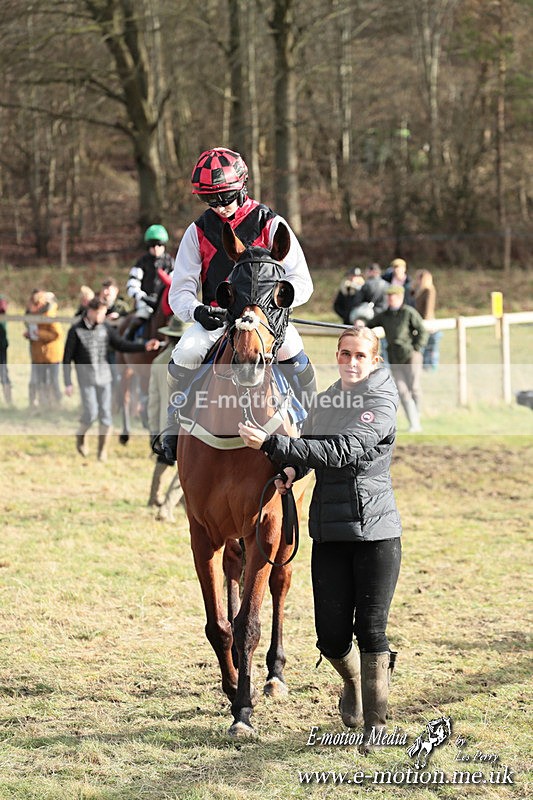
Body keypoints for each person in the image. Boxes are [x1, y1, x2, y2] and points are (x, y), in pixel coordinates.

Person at [238, 326, 401, 755]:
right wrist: (290, 471)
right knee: (329, 638)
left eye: (360, 356)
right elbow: (309, 448)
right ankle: (353, 682)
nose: (351, 362)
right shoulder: (329, 398)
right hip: (328, 532)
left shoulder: (381, 401)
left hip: (375, 534)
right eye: (345, 354)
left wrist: (273, 443)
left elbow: (342, 450)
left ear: (375, 361)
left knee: (370, 631)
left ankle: (375, 726)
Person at [162, 146, 315, 460]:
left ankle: (313, 425)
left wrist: (276, 306)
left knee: (294, 352)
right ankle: (171, 426)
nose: (219, 207)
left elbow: (302, 281)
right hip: (217, 322)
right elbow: (179, 292)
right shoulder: (198, 232)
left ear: (243, 186)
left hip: (265, 324)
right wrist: (198, 311)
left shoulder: (271, 224)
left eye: (225, 197)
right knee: (187, 351)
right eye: (209, 200)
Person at [63, 297, 161, 461]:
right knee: (91, 413)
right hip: (85, 378)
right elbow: (67, 358)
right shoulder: (75, 330)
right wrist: (67, 382)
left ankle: (102, 452)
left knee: (106, 415)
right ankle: (81, 435)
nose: (103, 316)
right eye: (101, 313)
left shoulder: (106, 329)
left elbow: (121, 345)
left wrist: (144, 346)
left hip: (104, 377)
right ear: (91, 312)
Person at [367, 285, 427, 432]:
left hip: (411, 355)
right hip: (394, 357)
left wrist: (416, 347)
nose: (390, 299)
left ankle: (417, 417)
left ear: (400, 298)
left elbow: (421, 330)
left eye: (393, 296)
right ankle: (413, 423)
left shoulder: (408, 312)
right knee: (401, 389)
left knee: (414, 387)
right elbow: (370, 324)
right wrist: (360, 324)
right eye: (389, 296)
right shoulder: (385, 315)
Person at [147, 316, 185, 520]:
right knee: (188, 470)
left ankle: (154, 496)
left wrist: (153, 428)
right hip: (187, 424)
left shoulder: (158, 361)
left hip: (164, 423)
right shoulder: (196, 361)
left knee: (163, 459)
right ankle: (167, 507)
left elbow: (153, 401)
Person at [125, 224, 174, 340]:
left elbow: (175, 283)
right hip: (146, 302)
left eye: (159, 244)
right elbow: (131, 285)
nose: (156, 248)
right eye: (153, 245)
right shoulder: (142, 262)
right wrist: (143, 297)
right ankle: (128, 340)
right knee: (139, 319)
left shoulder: (170, 262)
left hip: (165, 303)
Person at [23, 291, 64, 410]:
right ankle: (43, 404)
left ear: (39, 304)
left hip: (51, 355)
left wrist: (39, 333)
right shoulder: (32, 315)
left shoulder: (50, 314)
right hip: (38, 354)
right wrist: (30, 334)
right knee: (40, 381)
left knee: (53, 381)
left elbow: (57, 334)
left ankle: (57, 404)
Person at [413, 269, 442, 371]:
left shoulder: (429, 290)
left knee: (431, 347)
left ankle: (431, 367)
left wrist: (425, 322)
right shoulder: (418, 290)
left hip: (427, 323)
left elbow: (428, 309)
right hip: (420, 322)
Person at [0, 295, 12, 406]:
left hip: (1, 344)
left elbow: (3, 309)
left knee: (3, 373)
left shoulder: (1, 300)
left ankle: (9, 402)